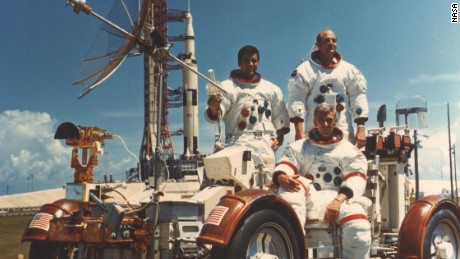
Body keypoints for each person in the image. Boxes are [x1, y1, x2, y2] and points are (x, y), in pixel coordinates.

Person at [272, 103, 371, 258]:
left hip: (340, 198)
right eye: (321, 120)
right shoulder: (300, 147)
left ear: (335, 121)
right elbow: (286, 164)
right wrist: (281, 176)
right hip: (310, 196)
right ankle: (292, 249)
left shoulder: (350, 150)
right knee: (291, 186)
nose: (325, 124)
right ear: (315, 121)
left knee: (358, 228)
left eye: (329, 120)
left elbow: (356, 179)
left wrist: (338, 201)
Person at [205, 45, 290, 187]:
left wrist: (280, 137)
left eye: (254, 61)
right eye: (246, 60)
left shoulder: (271, 89)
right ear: (239, 62)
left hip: (265, 145)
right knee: (239, 185)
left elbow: (279, 113)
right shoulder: (227, 87)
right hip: (239, 141)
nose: (250, 64)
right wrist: (214, 107)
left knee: (267, 185)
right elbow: (219, 111)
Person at [288, 29, 368, 148]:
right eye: (327, 41)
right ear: (318, 45)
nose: (331, 43)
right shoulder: (304, 70)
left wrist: (361, 128)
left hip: (343, 132)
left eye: (334, 41)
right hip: (314, 134)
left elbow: (358, 97)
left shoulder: (349, 70)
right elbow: (296, 99)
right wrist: (299, 131)